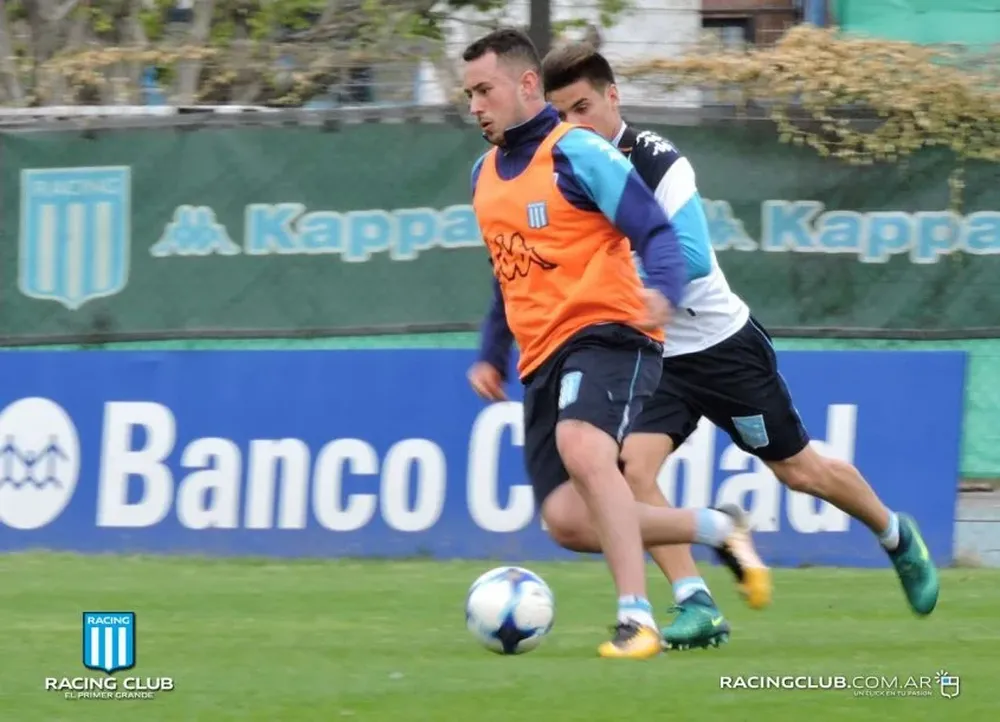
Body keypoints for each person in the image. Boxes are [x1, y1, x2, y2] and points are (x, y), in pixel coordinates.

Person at [529, 41, 940, 649]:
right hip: (651, 353)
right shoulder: (563, 169)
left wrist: (630, 287)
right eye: (562, 115)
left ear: (613, 97)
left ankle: (894, 535)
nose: (574, 125)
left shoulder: (659, 163)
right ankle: (695, 603)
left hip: (721, 346)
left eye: (584, 107)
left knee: (800, 471)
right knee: (628, 471)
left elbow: (690, 256)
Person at [462, 27, 772, 660]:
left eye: (484, 90)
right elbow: (506, 270)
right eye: (468, 94)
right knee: (569, 522)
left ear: (526, 85)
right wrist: (491, 353)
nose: (474, 106)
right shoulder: (483, 175)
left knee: (586, 449)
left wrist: (661, 288)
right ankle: (716, 527)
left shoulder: (579, 152)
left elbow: (655, 229)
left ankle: (638, 620)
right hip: (542, 356)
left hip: (609, 333)